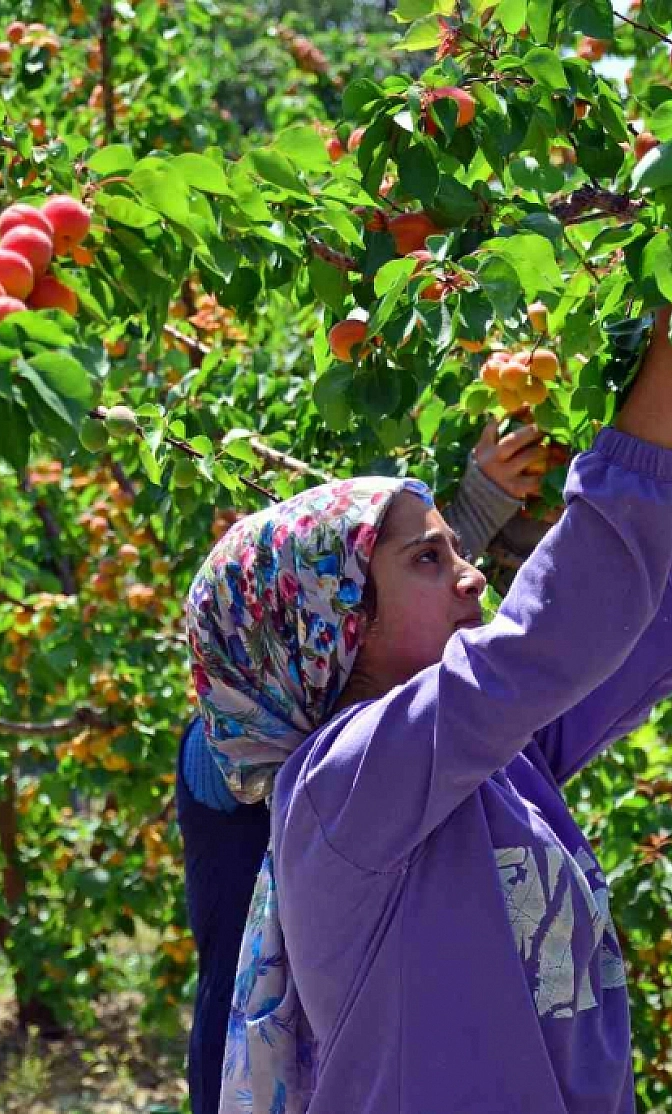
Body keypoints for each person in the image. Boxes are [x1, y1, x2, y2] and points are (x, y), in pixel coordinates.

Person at [185, 307, 672, 1113]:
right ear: (331, 629)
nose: (472, 577)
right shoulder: (342, 786)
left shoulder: (501, 763)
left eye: (459, 551)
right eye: (429, 559)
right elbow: (559, 630)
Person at [175, 420, 547, 1114]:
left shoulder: (388, 746)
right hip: (261, 1059)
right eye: (425, 561)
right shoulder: (237, 748)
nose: (469, 580)